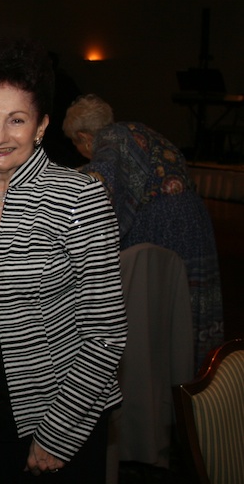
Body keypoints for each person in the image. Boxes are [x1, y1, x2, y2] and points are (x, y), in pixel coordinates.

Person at [0, 38, 127, 483]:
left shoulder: (80, 198)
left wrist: (55, 434)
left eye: (16, 120)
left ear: (41, 126)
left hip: (54, 422)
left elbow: (106, 336)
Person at [63, 93, 223, 366]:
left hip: (166, 226)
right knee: (189, 304)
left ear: (84, 138)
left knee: (161, 309)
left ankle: (164, 379)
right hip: (193, 220)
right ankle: (192, 383)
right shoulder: (135, 130)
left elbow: (101, 180)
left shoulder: (110, 139)